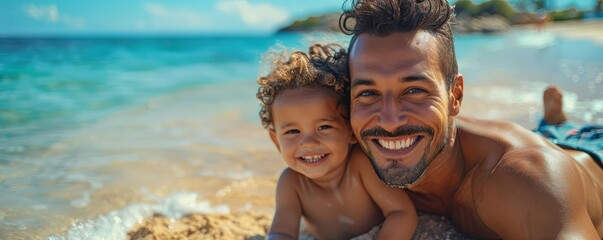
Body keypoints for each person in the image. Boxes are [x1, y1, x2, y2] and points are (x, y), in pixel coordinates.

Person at [340, 0, 603, 238]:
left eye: (414, 90)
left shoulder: (531, 182)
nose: (389, 121)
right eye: (368, 93)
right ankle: (553, 122)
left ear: (455, 95)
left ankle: (556, 126)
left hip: (592, 153)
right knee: (548, 133)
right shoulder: (347, 147)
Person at [256, 44, 417, 240]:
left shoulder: (361, 165)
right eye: (292, 131)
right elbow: (281, 233)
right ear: (276, 140)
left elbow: (402, 213)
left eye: (324, 127)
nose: (308, 142)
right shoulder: (291, 183)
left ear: (351, 130)